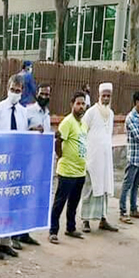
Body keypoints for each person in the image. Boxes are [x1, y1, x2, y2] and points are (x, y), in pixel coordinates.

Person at [0, 74, 27, 260]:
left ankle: (6, 242)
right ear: (7, 88)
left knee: (10, 204)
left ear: (22, 92)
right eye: (12, 90)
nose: (15, 93)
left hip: (15, 164)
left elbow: (23, 137)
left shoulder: (23, 112)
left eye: (18, 91)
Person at [11, 83, 53, 247]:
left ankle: (25, 232)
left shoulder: (47, 114)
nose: (44, 97)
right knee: (19, 198)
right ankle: (14, 235)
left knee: (31, 198)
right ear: (37, 94)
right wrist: (32, 129)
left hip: (39, 161)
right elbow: (21, 132)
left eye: (47, 94)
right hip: (25, 161)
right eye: (42, 94)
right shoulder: (28, 111)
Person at [48, 91, 88, 244]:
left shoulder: (83, 124)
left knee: (74, 202)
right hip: (67, 171)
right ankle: (53, 231)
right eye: (78, 103)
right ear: (72, 105)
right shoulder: (67, 122)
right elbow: (58, 141)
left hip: (80, 171)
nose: (81, 106)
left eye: (83, 104)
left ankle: (71, 227)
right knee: (60, 202)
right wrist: (61, 156)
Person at [80, 83, 119, 233]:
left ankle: (103, 219)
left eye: (109, 96)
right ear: (99, 96)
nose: (106, 98)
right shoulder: (91, 112)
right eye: (104, 96)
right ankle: (85, 220)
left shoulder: (111, 113)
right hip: (92, 158)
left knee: (104, 189)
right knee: (90, 188)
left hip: (106, 158)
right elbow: (82, 133)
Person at [119, 91, 139, 224]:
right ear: (137, 102)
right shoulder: (130, 117)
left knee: (136, 185)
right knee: (127, 185)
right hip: (133, 157)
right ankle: (122, 211)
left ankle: (133, 208)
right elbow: (138, 136)